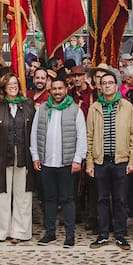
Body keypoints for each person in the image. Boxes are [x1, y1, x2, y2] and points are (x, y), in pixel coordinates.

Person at [85, 65, 133, 251]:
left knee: (120, 199)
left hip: (121, 161)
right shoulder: (94, 108)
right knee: (101, 199)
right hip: (100, 161)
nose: (107, 86)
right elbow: (89, 136)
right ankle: (102, 234)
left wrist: (132, 160)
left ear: (116, 86)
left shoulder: (127, 106)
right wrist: (89, 162)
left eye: (110, 83)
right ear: (99, 87)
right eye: (104, 83)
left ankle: (120, 234)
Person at [31, 76, 87, 247]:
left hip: (67, 163)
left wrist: (78, 159)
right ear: (50, 91)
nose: (57, 92)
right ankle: (50, 233)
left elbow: (82, 136)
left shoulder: (75, 110)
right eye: (54, 89)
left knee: (67, 199)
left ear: (65, 90)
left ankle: (70, 235)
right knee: (49, 199)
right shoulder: (42, 109)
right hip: (47, 162)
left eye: (60, 88)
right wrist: (35, 156)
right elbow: (34, 133)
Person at [0, 73, 36, 243]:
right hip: (2, 156)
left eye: (15, 83)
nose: (13, 86)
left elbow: (34, 132)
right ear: (4, 87)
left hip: (23, 156)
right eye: (9, 84)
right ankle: (0, 231)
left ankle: (20, 232)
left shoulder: (28, 105)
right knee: (1, 194)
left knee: (23, 195)